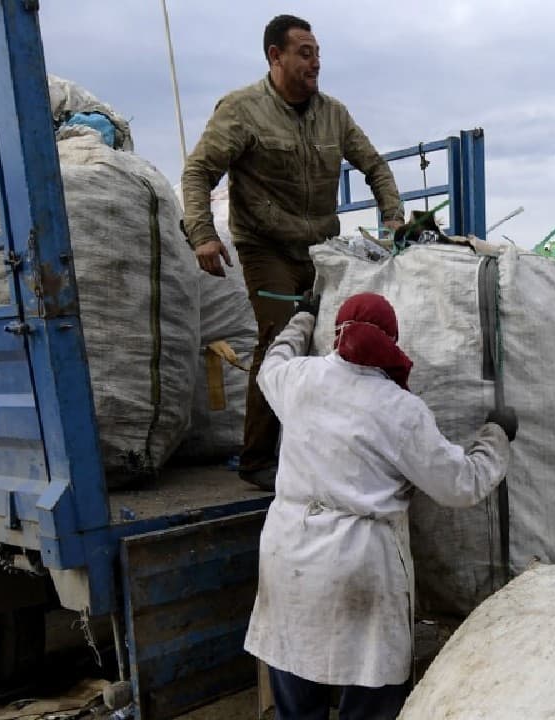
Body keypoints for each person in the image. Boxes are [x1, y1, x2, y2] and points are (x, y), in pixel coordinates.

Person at [246, 292, 516, 720]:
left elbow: (270, 365)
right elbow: (461, 485)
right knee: (370, 686)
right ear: (392, 341)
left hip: (288, 550)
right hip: (358, 561)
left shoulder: (298, 378)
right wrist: (496, 437)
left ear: (335, 334)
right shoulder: (400, 409)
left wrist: (300, 318)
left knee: (295, 680)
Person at [181, 15, 404, 490]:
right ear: (274, 56)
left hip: (321, 249)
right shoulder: (242, 110)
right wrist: (202, 233)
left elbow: (375, 165)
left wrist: (394, 215)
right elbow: (199, 171)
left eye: (317, 52)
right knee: (282, 336)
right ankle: (258, 458)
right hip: (264, 246)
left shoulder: (334, 115)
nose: (315, 62)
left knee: (335, 339)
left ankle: (317, 447)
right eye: (304, 52)